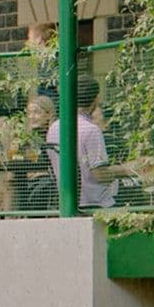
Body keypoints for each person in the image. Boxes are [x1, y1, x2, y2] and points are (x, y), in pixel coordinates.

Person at [45, 78, 134, 210]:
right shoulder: (91, 129)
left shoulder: (54, 127)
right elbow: (99, 174)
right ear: (96, 99)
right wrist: (127, 169)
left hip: (66, 203)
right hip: (95, 204)